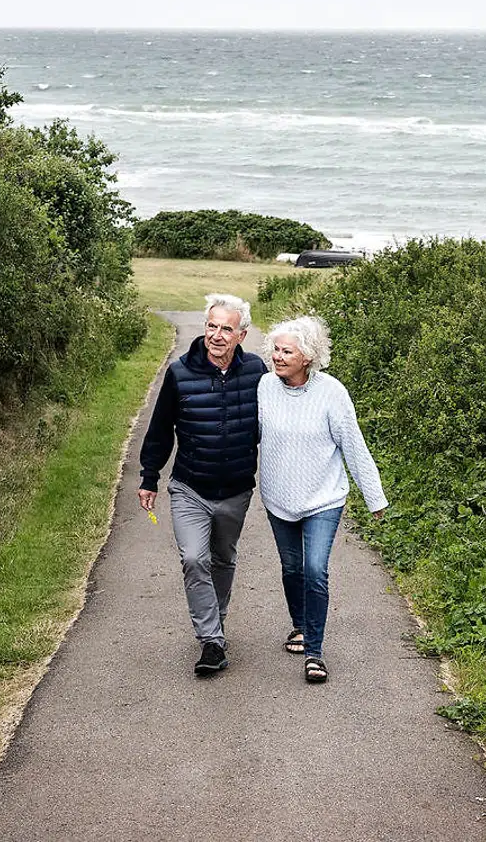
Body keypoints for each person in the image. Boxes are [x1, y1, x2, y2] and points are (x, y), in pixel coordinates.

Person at [139, 293, 266, 676]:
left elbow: (276, 423)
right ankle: (211, 641)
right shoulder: (180, 373)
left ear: (241, 335)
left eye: (226, 329)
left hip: (236, 489)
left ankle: (216, 624)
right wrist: (149, 476)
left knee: (223, 559)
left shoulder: (256, 372)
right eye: (212, 326)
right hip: (190, 487)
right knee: (195, 559)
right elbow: (160, 428)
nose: (216, 335)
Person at [258, 315, 387, 684]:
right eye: (276, 350)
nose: (277, 357)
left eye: (287, 352)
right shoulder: (264, 387)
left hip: (323, 498)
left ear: (308, 357)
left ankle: (314, 651)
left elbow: (353, 446)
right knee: (292, 568)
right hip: (278, 496)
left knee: (315, 569)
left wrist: (374, 497)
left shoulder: (332, 393)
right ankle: (299, 625)